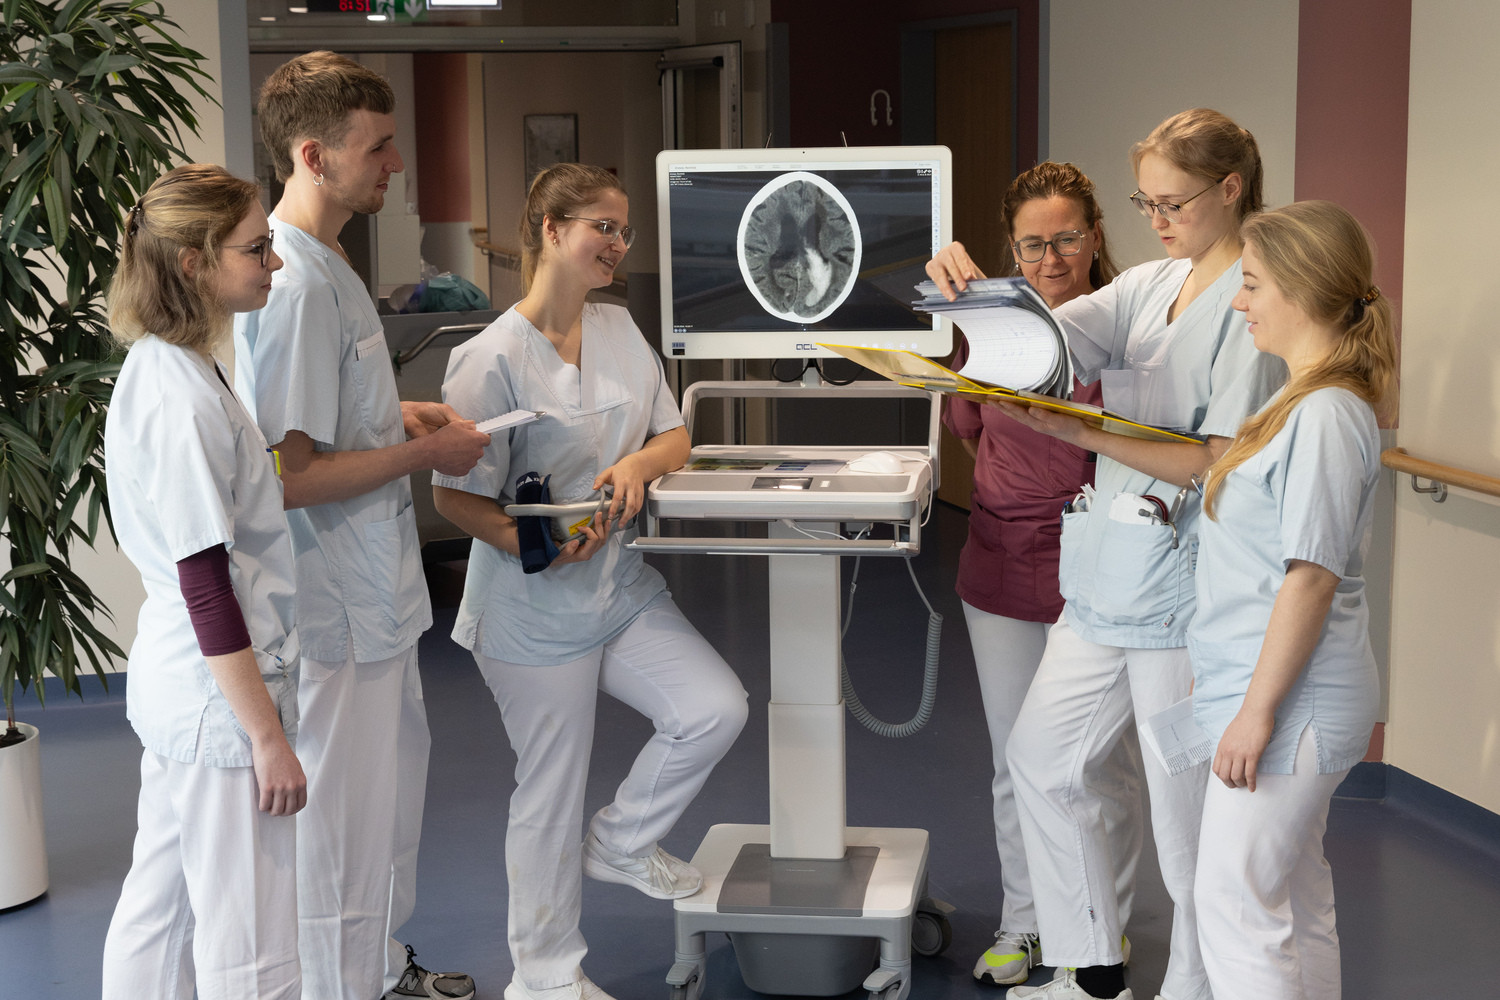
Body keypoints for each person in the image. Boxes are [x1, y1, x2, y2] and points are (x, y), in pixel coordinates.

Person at [929, 108, 1286, 1000]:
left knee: (1181, 815)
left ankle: (1196, 984)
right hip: (1104, 581)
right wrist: (966, 297)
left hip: (1180, 589)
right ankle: (1089, 972)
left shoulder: (1255, 299)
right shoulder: (1154, 283)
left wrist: (1083, 430)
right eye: (1145, 200)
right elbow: (1041, 345)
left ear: (1230, 189)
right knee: (1044, 762)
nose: (1156, 217)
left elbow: (1217, 456)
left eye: (1170, 200)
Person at [432, 162, 749, 1000]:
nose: (616, 244)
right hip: (531, 611)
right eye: (601, 227)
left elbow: (675, 434)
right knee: (549, 791)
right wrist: (529, 543)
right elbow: (452, 496)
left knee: (713, 707)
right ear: (548, 229)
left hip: (618, 589)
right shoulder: (487, 358)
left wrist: (639, 462)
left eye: (624, 231)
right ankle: (544, 978)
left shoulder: (617, 327)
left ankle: (620, 842)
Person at [233, 51, 490, 1000]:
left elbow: (331, 423)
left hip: (375, 598)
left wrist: (401, 419)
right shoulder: (294, 283)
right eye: (377, 147)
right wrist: (423, 458)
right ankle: (347, 985)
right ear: (313, 154)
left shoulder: (329, 260)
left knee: (388, 811)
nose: (395, 165)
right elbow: (289, 477)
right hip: (333, 609)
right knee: (344, 828)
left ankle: (379, 968)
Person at [933, 162, 1145, 988]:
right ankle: (1027, 924)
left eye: (1065, 239)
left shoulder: (1129, 326)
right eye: (1031, 244)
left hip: (1099, 563)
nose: (1050, 258)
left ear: (1094, 234)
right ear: (1009, 247)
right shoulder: (992, 325)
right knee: (1014, 754)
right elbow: (969, 429)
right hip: (999, 558)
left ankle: (1102, 928)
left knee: (1097, 764)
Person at [100, 164, 302, 999]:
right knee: (247, 938)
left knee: (162, 904)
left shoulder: (173, 365)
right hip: (217, 701)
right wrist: (267, 739)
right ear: (193, 263)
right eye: (256, 250)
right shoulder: (179, 395)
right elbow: (206, 581)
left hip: (184, 684)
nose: (273, 264)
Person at [1190, 201, 1392, 1000]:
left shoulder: (1327, 414)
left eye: (1251, 283)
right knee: (1295, 899)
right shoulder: (1301, 402)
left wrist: (1255, 712)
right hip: (1284, 693)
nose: (1241, 301)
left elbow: (1310, 576)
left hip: (1292, 703)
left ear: (1302, 289)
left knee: (1236, 904)